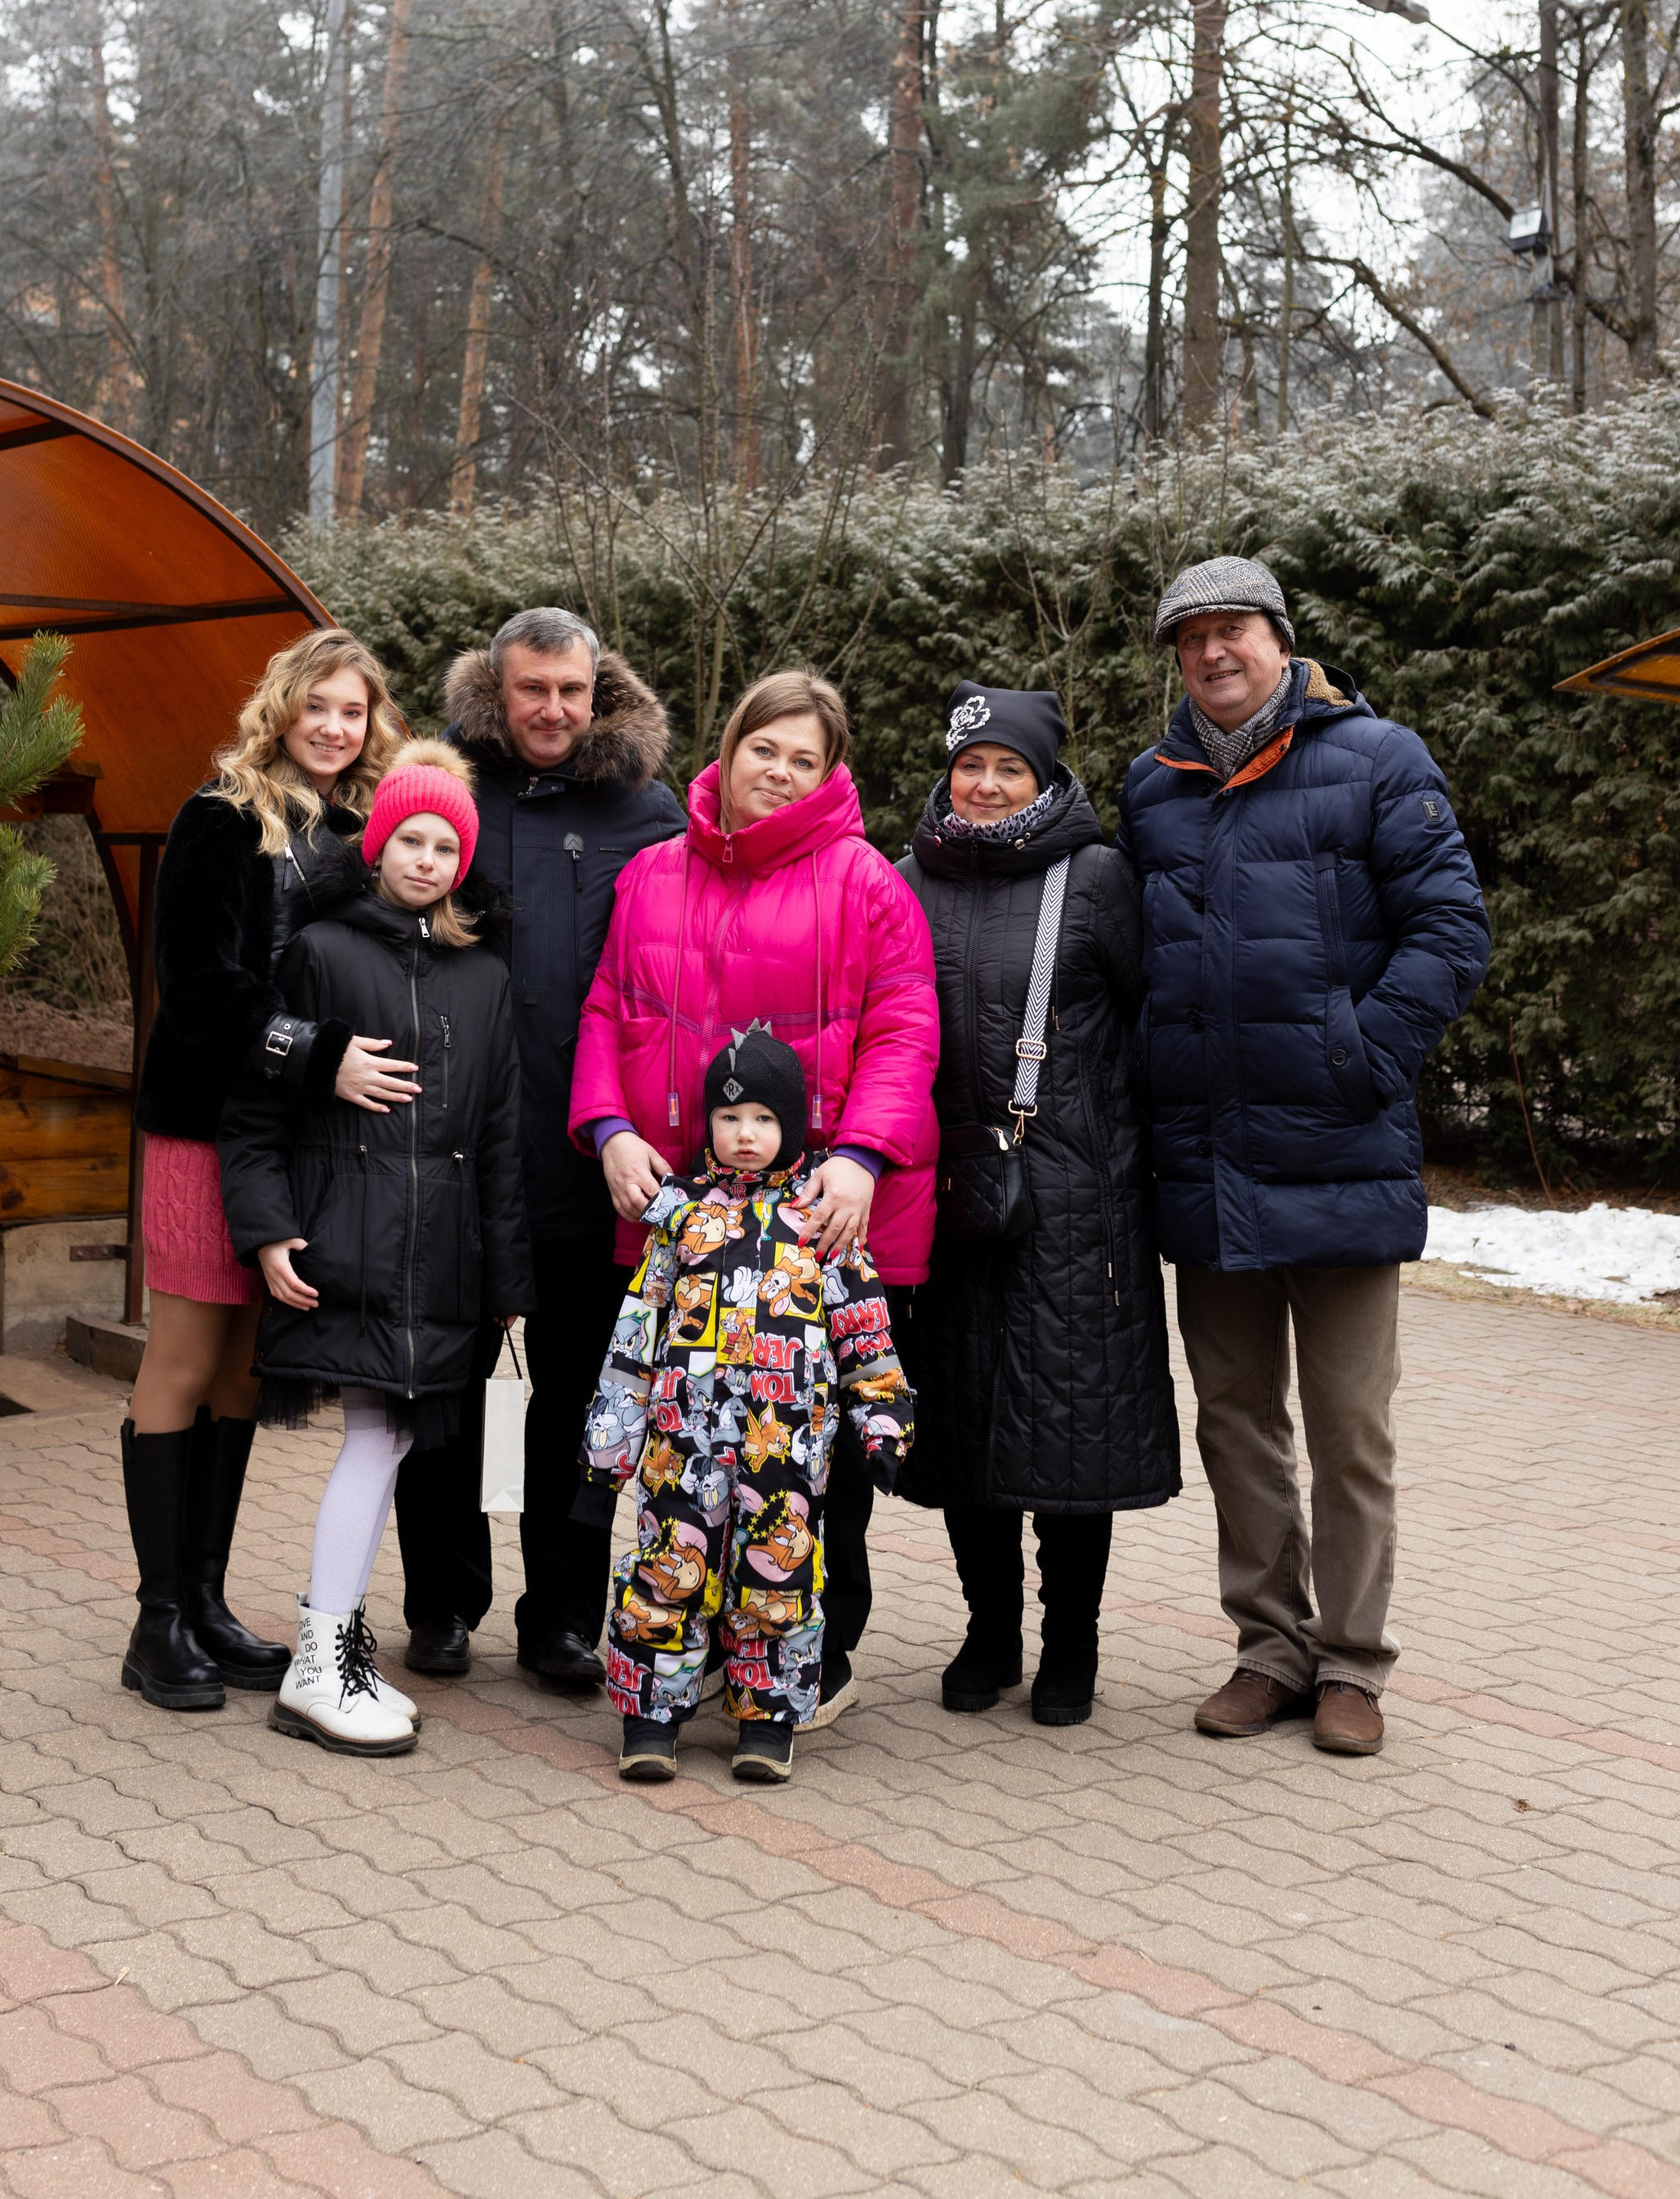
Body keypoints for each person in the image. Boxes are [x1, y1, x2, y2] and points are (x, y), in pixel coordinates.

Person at [1116, 557, 1491, 1759]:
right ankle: (1269, 1647)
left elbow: (1450, 926)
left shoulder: (1378, 759)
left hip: (1339, 1145)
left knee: (1348, 1428)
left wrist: (1363, 1054)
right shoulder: (1153, 788)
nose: (1213, 654)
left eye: (1233, 632)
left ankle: (1354, 1662)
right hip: (1208, 1158)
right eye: (1191, 640)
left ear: (1282, 641)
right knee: (1233, 1420)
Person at [569, 668, 938, 1725]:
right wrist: (610, 1132)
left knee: (813, 1452)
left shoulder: (868, 883)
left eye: (803, 758)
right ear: (727, 751)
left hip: (818, 1221)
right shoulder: (651, 874)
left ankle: (818, 1658)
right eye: (762, 749)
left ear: (832, 772)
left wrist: (864, 1156)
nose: (777, 772)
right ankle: (677, 1649)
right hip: (684, 1218)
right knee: (685, 1442)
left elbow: (905, 1030)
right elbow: (607, 1011)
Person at [215, 743, 533, 1755]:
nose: (427, 858)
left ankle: (336, 1651)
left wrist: (507, 1279)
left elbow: (498, 1140)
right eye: (409, 838)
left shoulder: (484, 980)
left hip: (438, 1264)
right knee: (373, 1439)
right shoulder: (319, 953)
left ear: (462, 862)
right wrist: (266, 1232)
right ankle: (321, 1662)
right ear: (378, 844)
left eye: (447, 845)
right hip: (345, 1248)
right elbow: (254, 1114)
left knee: (390, 1441)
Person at [390, 609, 683, 1693]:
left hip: (589, 1155)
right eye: (532, 692)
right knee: (443, 1395)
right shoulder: (444, 789)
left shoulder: (646, 811)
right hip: (450, 1151)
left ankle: (564, 1616)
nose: (552, 711)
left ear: (597, 690)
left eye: (570, 691)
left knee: (578, 1405)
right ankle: (441, 1607)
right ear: (496, 693)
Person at [119, 628, 411, 1712]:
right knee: (187, 1356)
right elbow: (198, 989)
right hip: (202, 1124)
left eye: (355, 711)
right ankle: (155, 1625)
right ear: (282, 708)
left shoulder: (352, 835)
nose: (336, 728)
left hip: (291, 1141)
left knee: (247, 1365)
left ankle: (205, 1602)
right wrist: (317, 1054)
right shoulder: (219, 818)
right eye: (319, 706)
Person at [897, 681, 1178, 1726]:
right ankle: (990, 1629)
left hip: (1077, 1199)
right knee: (963, 1424)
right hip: (949, 1191)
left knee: (1071, 1433)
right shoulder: (902, 878)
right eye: (970, 764)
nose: (982, 783)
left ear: (1045, 774)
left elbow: (1153, 1023)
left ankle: (1072, 1643)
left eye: (1007, 767)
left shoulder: (1096, 878)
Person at [574, 1025, 914, 1787]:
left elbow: (864, 1327)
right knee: (668, 1571)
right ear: (708, 1127)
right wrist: (606, 1454)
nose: (746, 1135)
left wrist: (883, 1420)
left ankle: (766, 1719)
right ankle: (651, 1715)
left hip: (786, 1449)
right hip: (680, 1445)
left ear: (791, 1124)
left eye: (763, 1119)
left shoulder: (820, 1219)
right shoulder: (680, 1219)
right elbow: (636, 1335)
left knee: (778, 1578)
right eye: (729, 1119)